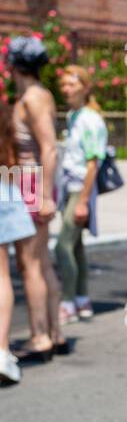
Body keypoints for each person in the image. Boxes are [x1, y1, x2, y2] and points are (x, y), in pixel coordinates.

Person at [8, 35, 65, 359]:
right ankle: (54, 333)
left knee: (29, 265)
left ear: (13, 65)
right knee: (41, 263)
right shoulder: (36, 95)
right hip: (29, 184)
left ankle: (39, 336)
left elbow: (48, 147)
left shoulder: (32, 98)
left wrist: (44, 196)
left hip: (29, 184)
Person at [55, 65, 108, 325]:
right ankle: (82, 299)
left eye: (72, 84)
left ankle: (67, 302)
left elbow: (92, 164)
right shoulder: (73, 116)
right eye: (64, 84)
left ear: (85, 87)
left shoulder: (90, 119)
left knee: (62, 246)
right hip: (70, 188)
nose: (66, 89)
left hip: (80, 190)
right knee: (75, 247)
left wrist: (84, 201)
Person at [0, 102, 36, 385]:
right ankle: (1, 350)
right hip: (5, 185)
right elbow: (22, 158)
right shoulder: (7, 114)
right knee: (3, 276)